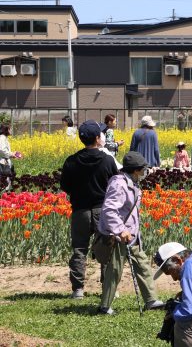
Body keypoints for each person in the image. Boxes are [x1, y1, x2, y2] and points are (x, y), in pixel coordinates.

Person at [98, 152, 164, 314]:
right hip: (119, 236)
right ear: (135, 170)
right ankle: (105, 306)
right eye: (143, 170)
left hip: (132, 236)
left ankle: (151, 300)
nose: (145, 173)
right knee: (114, 270)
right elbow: (109, 209)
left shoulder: (131, 182)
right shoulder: (119, 184)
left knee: (142, 265)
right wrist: (121, 230)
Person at [60, 120, 119, 299]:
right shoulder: (107, 160)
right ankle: (107, 287)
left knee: (79, 249)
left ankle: (78, 289)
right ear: (97, 137)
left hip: (80, 210)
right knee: (106, 248)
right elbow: (115, 184)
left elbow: (65, 186)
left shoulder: (71, 161)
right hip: (102, 210)